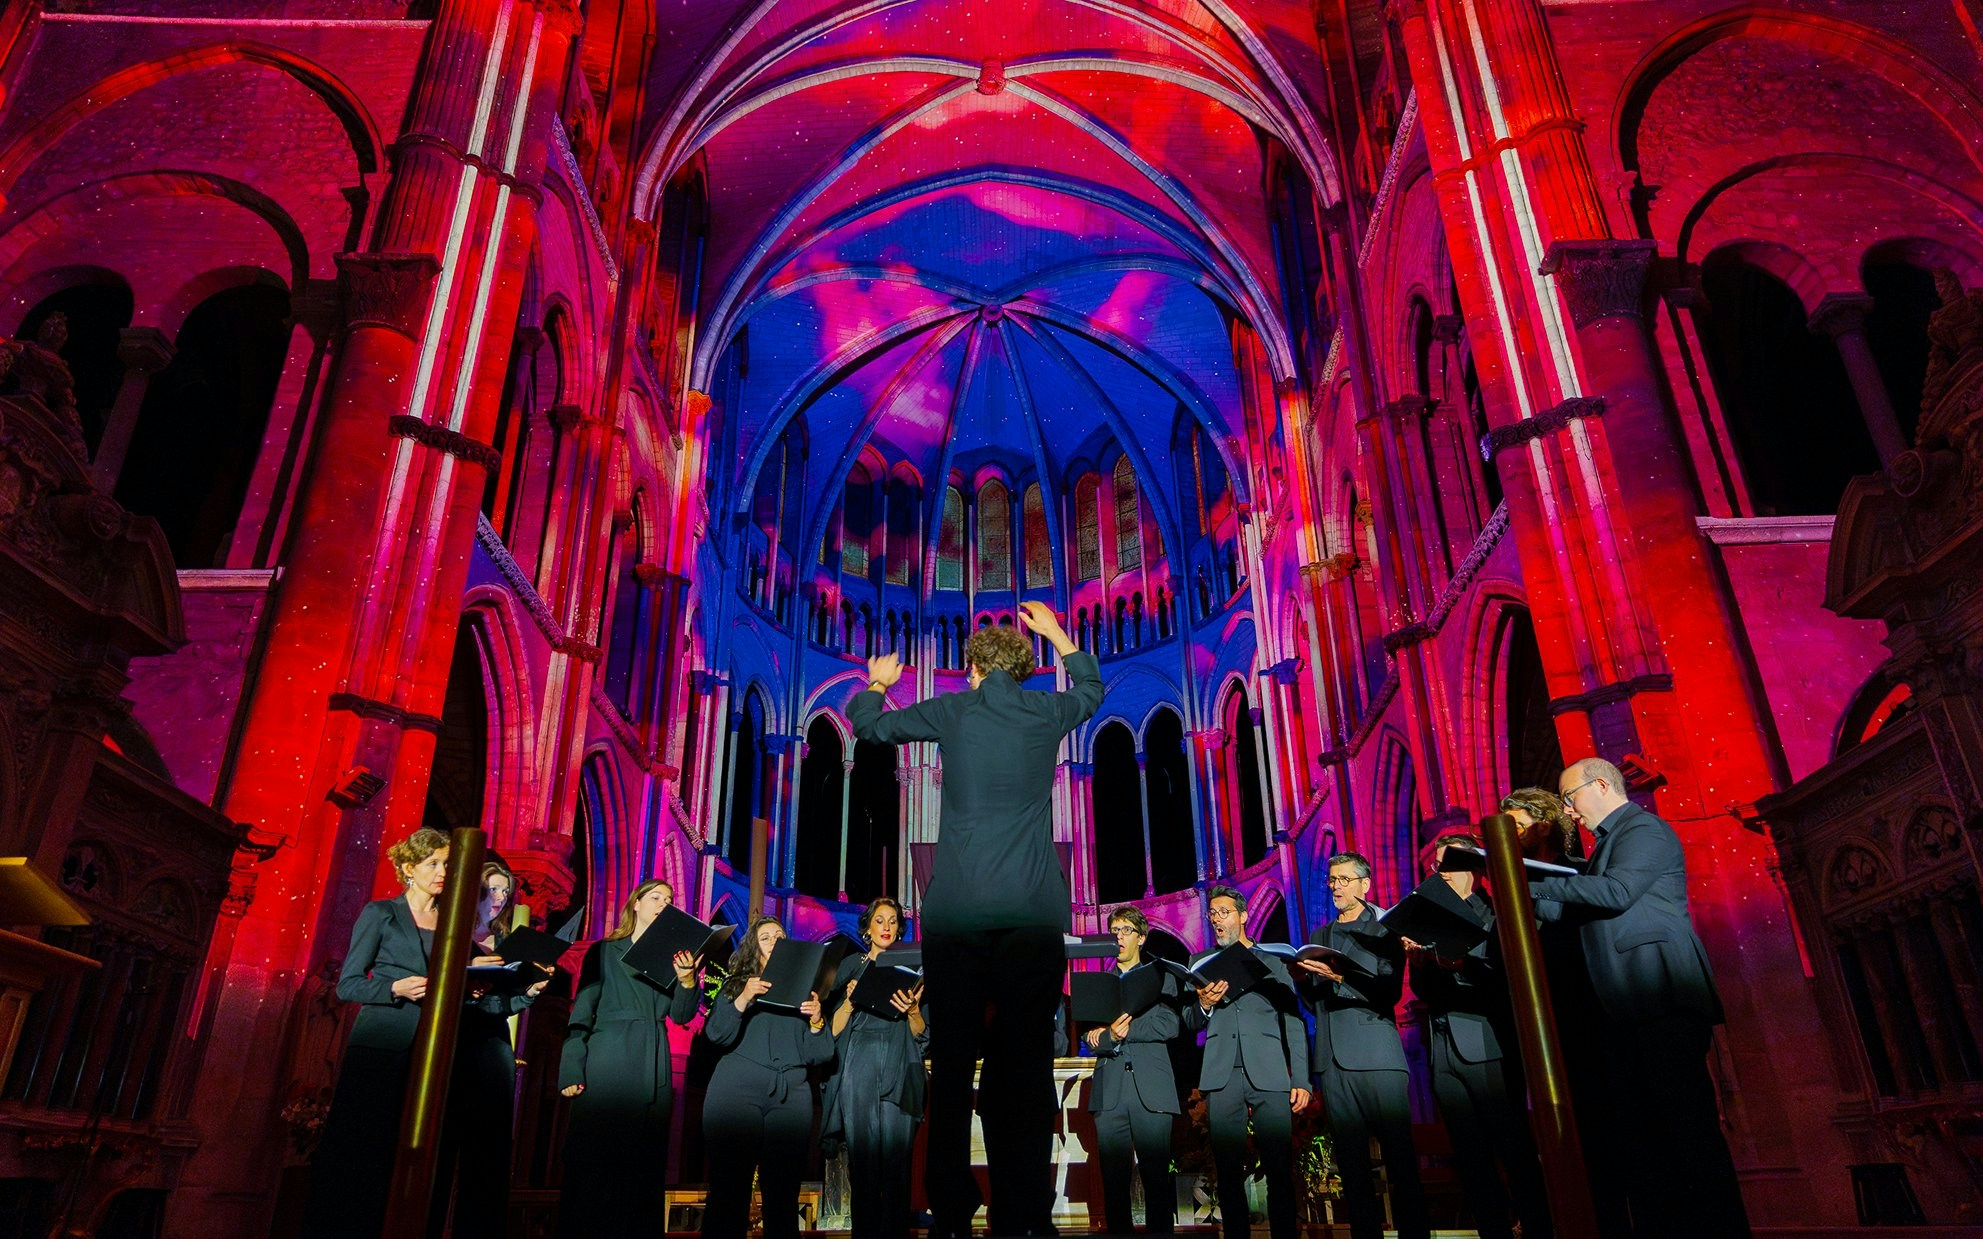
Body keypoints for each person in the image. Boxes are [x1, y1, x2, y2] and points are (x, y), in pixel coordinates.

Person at [849, 600, 1102, 1238]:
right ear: (1024, 668)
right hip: (1030, 913)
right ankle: (1023, 1210)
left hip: (957, 914)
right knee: (1024, 1065)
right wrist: (1060, 637)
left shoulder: (954, 710)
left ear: (969, 670)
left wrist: (878, 682)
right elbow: (1093, 690)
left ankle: (953, 1207)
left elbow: (871, 729)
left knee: (954, 1064)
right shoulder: (1047, 710)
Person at [1531, 757, 1750, 1238]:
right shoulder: (1608, 842)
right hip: (1625, 1002)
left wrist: (1533, 886)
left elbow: (1617, 891)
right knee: (1646, 1138)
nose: (1568, 812)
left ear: (1602, 785)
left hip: (1660, 994)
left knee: (1687, 1130)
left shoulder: (1643, 830)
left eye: (1570, 798)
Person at [304, 829, 546, 1239]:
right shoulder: (381, 913)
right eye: (432, 863)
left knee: (420, 1156)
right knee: (365, 1151)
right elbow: (348, 984)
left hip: (438, 1050)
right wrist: (393, 988)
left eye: (448, 864)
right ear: (408, 868)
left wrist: (515, 991)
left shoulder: (455, 921)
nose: (442, 871)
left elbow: (470, 995)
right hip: (383, 1045)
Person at [1401, 833, 1549, 1239]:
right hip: (1443, 1050)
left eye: (1446, 866)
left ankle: (1538, 1228)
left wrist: (1459, 965)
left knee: (1513, 1148)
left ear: (1473, 869)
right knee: (1470, 1156)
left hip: (1488, 1045)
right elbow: (1424, 993)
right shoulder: (1429, 918)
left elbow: (1508, 982)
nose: (1438, 875)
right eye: (1434, 867)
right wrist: (1422, 961)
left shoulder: (1494, 912)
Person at [556, 879, 704, 1237]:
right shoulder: (604, 951)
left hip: (653, 1065)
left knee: (643, 1170)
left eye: (669, 900)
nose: (662, 904)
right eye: (656, 897)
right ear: (635, 904)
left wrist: (687, 982)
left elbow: (682, 1017)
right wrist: (571, 1067)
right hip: (607, 1061)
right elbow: (582, 1012)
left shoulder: (673, 961)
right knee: (596, 1164)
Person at [1292, 854, 1426, 1239]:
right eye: (1332, 880)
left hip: (1377, 1056)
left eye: (1344, 880)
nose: (1336, 887)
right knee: (1351, 1166)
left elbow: (1387, 992)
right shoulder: (1319, 937)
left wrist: (1338, 976)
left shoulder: (1385, 930)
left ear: (1365, 884)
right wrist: (1301, 979)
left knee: (1399, 1159)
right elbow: (1315, 1001)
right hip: (1333, 1060)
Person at [1182, 885, 1309, 1239]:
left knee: (1279, 1166)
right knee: (1227, 1168)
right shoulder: (1200, 964)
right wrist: (1204, 1004)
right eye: (1213, 914)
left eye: (1224, 912)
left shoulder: (1272, 961)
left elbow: (1293, 1020)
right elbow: (1189, 1021)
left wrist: (1300, 1077)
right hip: (1221, 1075)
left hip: (1268, 1072)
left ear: (1243, 916)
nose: (1217, 920)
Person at [700, 915, 835, 1239]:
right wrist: (744, 998)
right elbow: (717, 1035)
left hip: (791, 1096)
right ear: (754, 950)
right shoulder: (736, 985)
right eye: (766, 937)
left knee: (783, 1193)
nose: (774, 941)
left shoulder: (807, 991)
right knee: (729, 1190)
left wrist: (817, 1021)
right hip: (737, 1091)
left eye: (780, 935)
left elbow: (820, 1054)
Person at [823, 896, 927, 1239]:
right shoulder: (850, 966)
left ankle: (896, 1232)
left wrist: (913, 1011)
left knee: (898, 1161)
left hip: (900, 1060)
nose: (886, 927)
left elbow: (923, 1035)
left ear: (900, 928)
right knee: (863, 1159)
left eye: (893, 921)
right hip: (860, 1063)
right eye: (879, 920)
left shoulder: (913, 967)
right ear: (867, 928)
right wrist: (850, 1003)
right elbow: (832, 1029)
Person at [1083, 906, 1180, 1237]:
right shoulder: (1099, 981)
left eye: (1126, 930)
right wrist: (1108, 1035)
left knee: (1156, 1181)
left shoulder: (1160, 975)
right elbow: (1088, 1036)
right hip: (1110, 1092)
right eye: (1114, 930)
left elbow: (1169, 1023)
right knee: (1114, 1185)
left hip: (1151, 1090)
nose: (1119, 937)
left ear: (1141, 936)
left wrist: (1123, 1030)